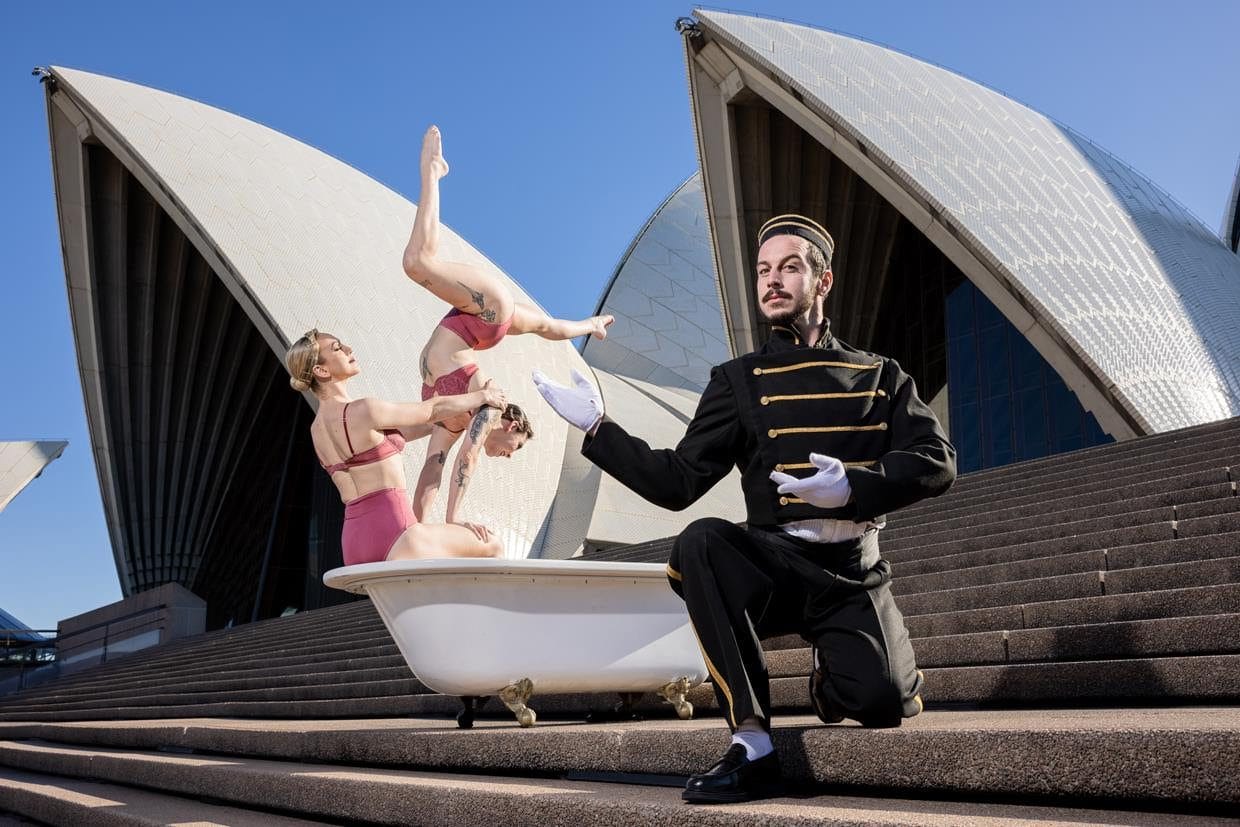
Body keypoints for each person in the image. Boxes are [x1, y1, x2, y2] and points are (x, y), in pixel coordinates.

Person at [534, 214, 956, 804]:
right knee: (701, 541)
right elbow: (678, 482)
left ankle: (836, 681)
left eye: (788, 267)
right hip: (774, 566)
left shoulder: (880, 375)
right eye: (763, 270)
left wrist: (855, 487)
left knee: (884, 704)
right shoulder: (739, 380)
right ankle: (752, 741)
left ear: (823, 280)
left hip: (851, 574)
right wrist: (599, 428)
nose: (772, 281)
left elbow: (937, 459)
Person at [401, 125, 613, 526]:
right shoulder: (487, 402)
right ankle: (433, 171)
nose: (510, 455)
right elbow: (471, 455)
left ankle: (591, 324)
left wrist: (421, 532)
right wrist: (456, 519)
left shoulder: (452, 418)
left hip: (484, 326)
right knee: (417, 264)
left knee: (543, 326)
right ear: (511, 424)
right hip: (487, 313)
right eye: (515, 446)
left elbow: (435, 467)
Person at [285, 328, 512, 564]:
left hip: (354, 543)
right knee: (492, 544)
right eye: (337, 348)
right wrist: (484, 395)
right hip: (396, 532)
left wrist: (460, 417)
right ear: (321, 370)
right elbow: (430, 410)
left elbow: (415, 427)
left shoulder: (317, 431)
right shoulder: (364, 410)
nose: (348, 349)